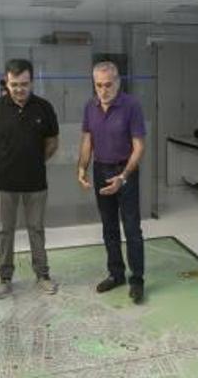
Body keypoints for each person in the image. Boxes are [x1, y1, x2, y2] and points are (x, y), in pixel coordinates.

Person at [0, 59, 59, 299]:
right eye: (14, 84)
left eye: (24, 84)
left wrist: (35, 162)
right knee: (5, 230)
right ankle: (5, 278)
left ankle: (42, 274)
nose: (19, 89)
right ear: (6, 82)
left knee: (36, 229)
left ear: (32, 82)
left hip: (36, 182)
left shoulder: (44, 108)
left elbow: (52, 142)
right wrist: (5, 164)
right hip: (4, 182)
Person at [77, 61, 147, 304]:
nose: (103, 90)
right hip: (100, 170)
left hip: (125, 171)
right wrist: (81, 168)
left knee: (131, 228)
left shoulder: (131, 106)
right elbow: (88, 140)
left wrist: (124, 176)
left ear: (117, 82)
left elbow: (139, 148)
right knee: (109, 228)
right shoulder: (90, 106)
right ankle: (116, 274)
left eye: (108, 85)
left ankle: (136, 280)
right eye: (98, 85)